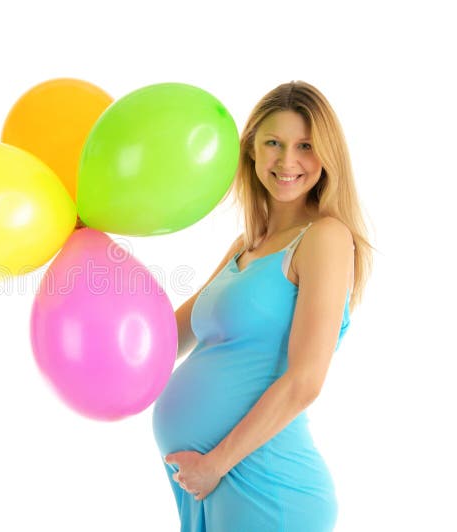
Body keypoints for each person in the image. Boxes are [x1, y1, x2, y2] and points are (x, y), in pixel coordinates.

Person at [151, 80, 373, 531]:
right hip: (207, 481)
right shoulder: (246, 245)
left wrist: (215, 464)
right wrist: (95, 244)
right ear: (252, 150)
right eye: (273, 142)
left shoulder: (325, 238)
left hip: (265, 486)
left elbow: (305, 381)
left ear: (327, 155)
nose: (287, 160)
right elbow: (165, 341)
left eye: (305, 145)